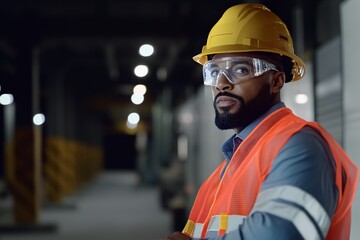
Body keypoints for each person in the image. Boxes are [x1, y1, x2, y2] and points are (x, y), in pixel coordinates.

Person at [162, 3, 359, 240]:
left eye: (241, 70)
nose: (222, 83)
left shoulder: (300, 146)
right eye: (214, 71)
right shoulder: (224, 172)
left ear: (276, 81)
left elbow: (281, 233)